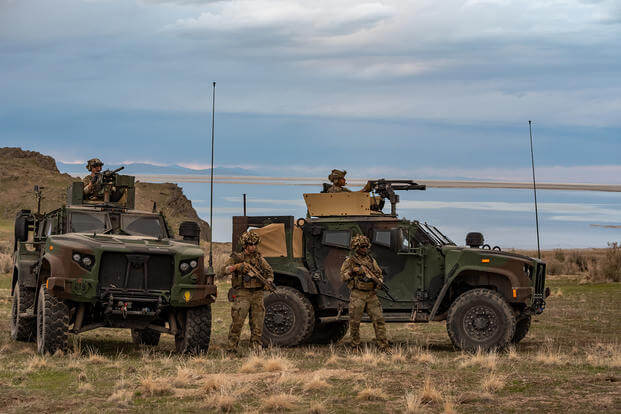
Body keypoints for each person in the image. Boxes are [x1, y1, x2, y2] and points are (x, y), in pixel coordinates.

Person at [224, 231, 274, 353]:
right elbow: (224, 270)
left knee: (258, 324)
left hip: (257, 294)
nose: (253, 247)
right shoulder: (237, 257)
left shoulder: (260, 259)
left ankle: (256, 348)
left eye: (255, 244)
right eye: (250, 244)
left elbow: (270, 273)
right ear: (245, 245)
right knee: (237, 322)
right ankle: (231, 349)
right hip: (242, 293)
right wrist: (237, 267)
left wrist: (268, 281)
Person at [340, 234, 389, 351]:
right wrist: (354, 272)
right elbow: (343, 277)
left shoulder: (371, 261)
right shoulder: (350, 261)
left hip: (371, 294)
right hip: (358, 294)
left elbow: (379, 274)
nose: (365, 249)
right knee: (355, 322)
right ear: (356, 248)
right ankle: (355, 346)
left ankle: (383, 346)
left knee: (379, 321)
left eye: (366, 247)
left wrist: (379, 281)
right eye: (362, 247)